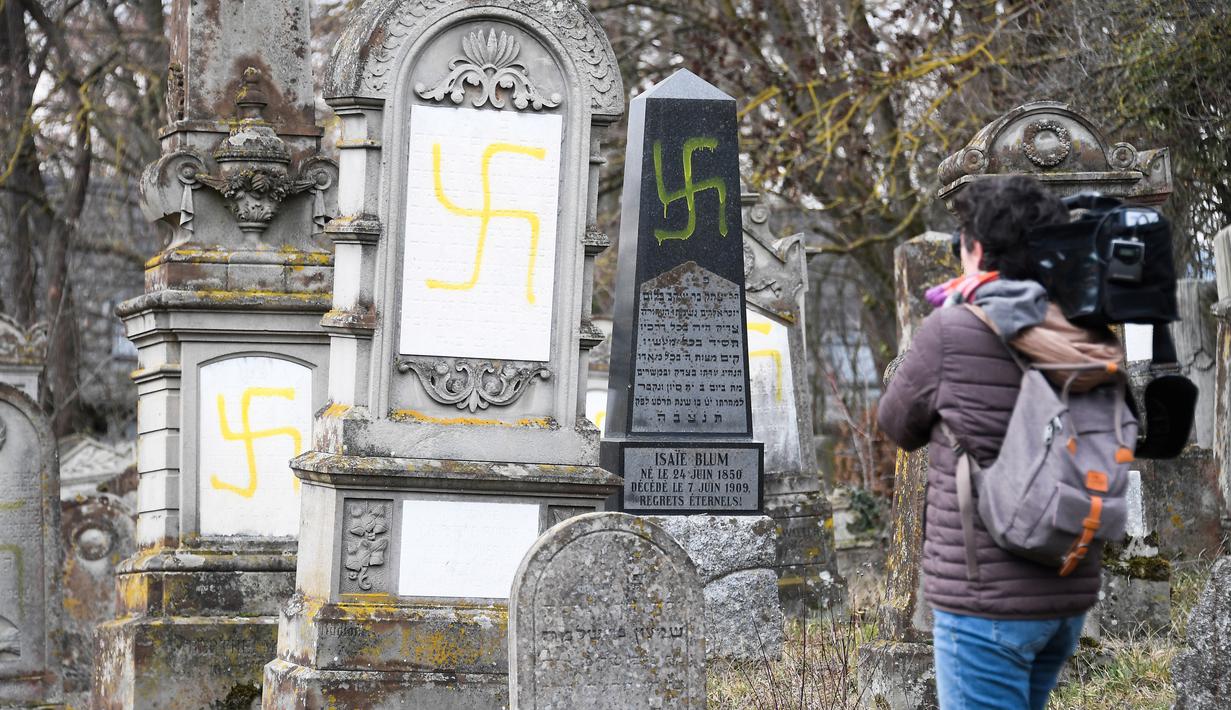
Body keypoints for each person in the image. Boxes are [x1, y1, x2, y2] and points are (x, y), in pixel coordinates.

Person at [877, 175, 1126, 709]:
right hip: (1067, 588)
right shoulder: (1086, 328)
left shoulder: (951, 331)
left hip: (985, 603)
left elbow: (897, 424)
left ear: (977, 249)